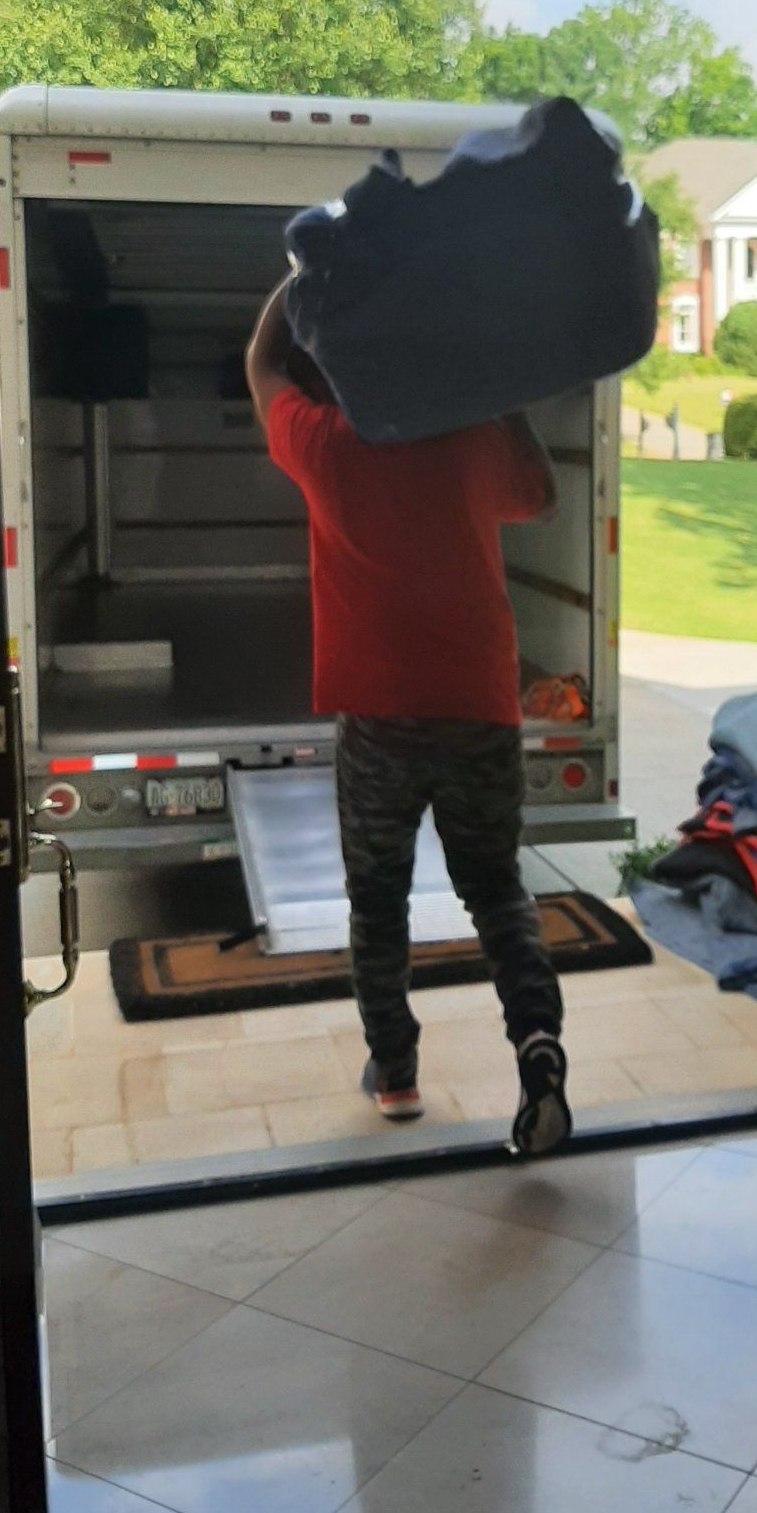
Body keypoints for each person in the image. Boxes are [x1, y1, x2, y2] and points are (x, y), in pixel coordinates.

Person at [245, 275, 572, 1156]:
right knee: (498, 892)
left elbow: (263, 363)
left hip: (381, 717)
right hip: (479, 707)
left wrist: (302, 280)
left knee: (378, 902)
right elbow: (540, 495)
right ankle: (539, 1054)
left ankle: (395, 1076)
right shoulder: (467, 435)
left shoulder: (323, 443)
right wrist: (497, 396)